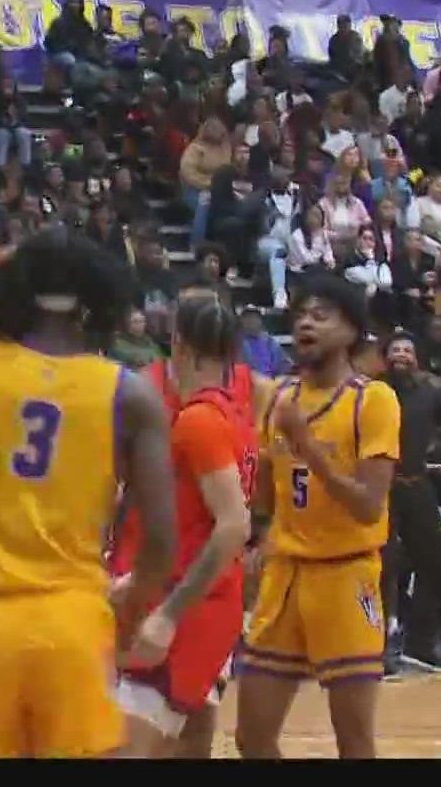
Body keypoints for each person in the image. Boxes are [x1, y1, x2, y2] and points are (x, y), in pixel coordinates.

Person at [0, 228, 176, 758]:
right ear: (95, 300)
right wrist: (134, 611)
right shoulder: (130, 392)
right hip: (73, 617)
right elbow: (161, 539)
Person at [235, 273, 398, 759]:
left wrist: (305, 445)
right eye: (301, 314)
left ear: (352, 332)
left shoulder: (373, 400)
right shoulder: (279, 400)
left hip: (346, 575)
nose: (306, 322)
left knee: (354, 742)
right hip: (284, 575)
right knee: (252, 738)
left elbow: (368, 506)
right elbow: (265, 499)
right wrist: (249, 540)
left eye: (321, 314)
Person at [113, 297, 257, 758]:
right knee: (189, 741)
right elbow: (197, 520)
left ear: (177, 343)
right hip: (206, 597)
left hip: (193, 609)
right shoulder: (235, 413)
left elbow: (233, 525)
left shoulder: (197, 420)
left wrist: (168, 615)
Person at [379, 331, 441, 674]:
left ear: (417, 359)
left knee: (433, 561)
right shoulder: (374, 392)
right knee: (383, 567)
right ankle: (379, 647)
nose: (401, 354)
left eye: (407, 350)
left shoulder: (430, 393)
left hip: (417, 484)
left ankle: (422, 643)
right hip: (381, 486)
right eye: (395, 348)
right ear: (386, 357)